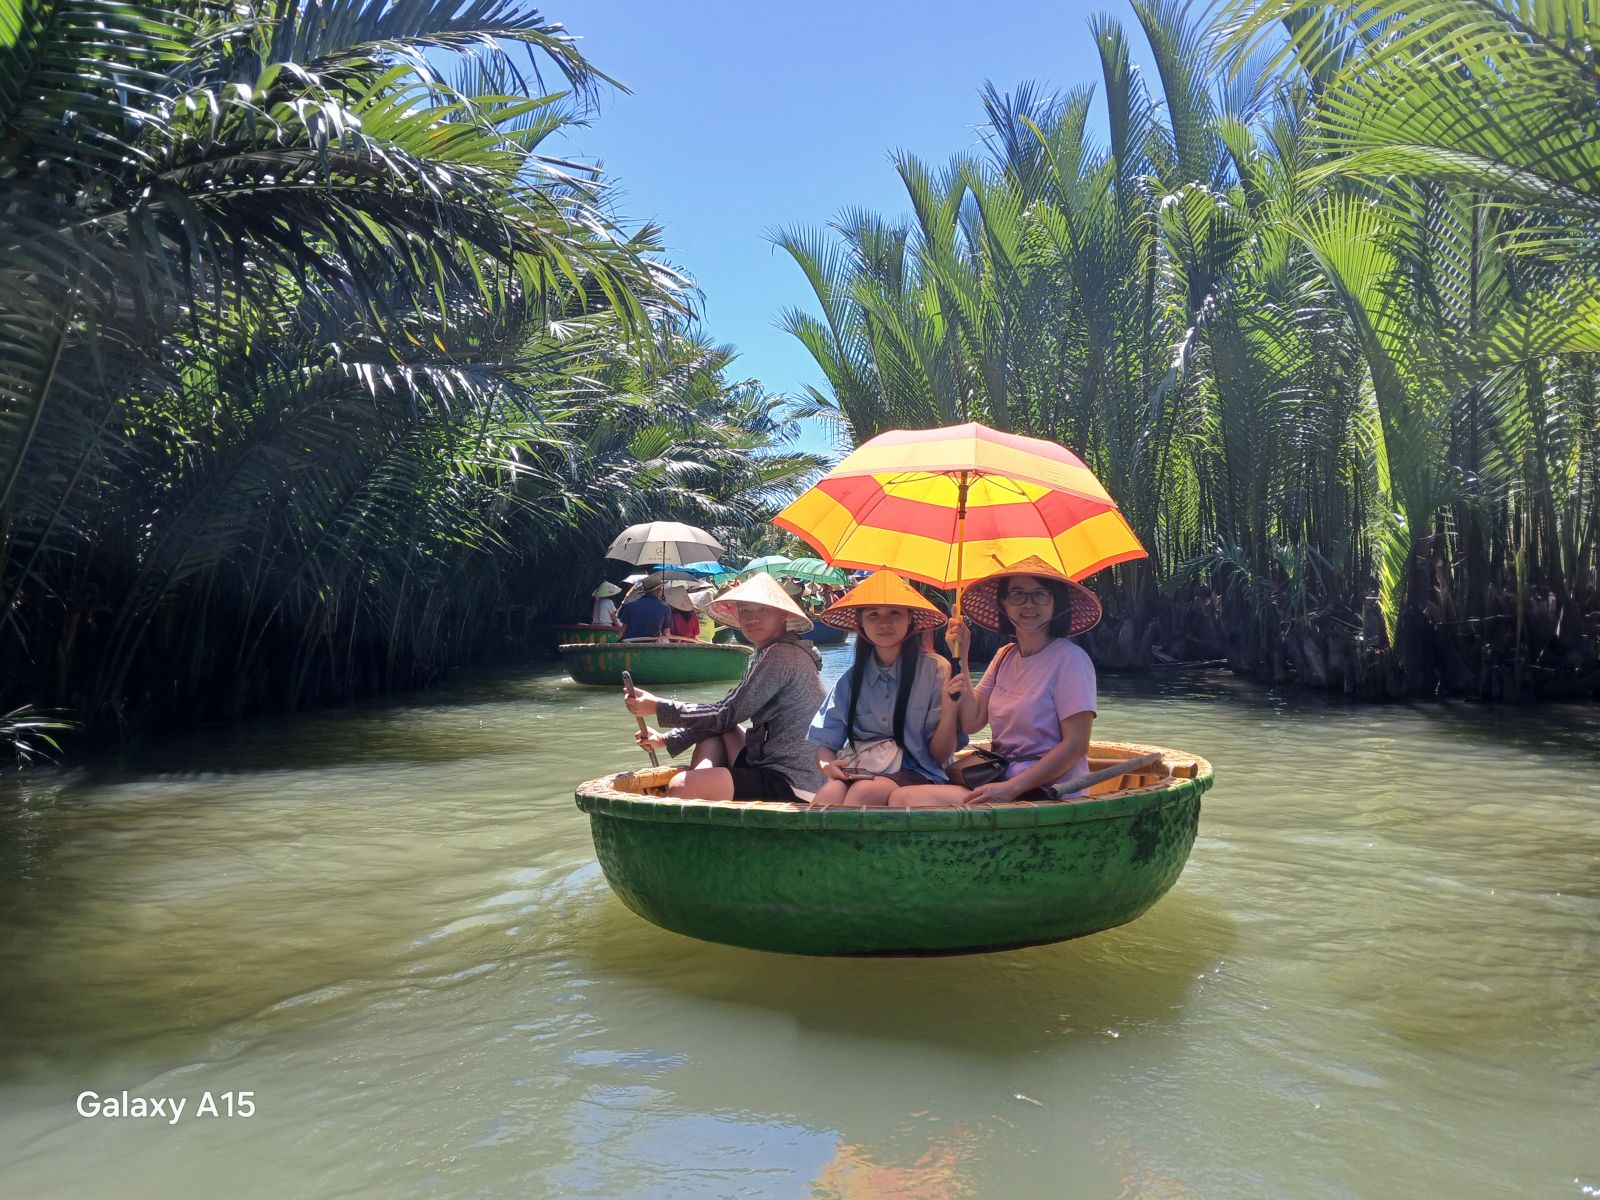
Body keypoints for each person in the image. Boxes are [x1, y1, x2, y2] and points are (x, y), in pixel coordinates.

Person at [892, 555, 1100, 807]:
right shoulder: (1004, 656)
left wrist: (1012, 788)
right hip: (1002, 776)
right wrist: (962, 655)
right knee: (899, 794)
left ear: (1056, 603)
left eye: (1040, 595)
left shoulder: (1071, 659)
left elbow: (1076, 745)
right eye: (1018, 595)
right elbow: (972, 721)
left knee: (904, 798)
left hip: (1049, 790)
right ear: (1004, 604)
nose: (1029, 604)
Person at [626, 573, 825, 802]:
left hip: (793, 782)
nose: (752, 619)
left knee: (680, 786)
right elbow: (726, 716)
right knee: (716, 734)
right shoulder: (777, 650)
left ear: (782, 614)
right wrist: (667, 739)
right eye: (745, 610)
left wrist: (658, 706)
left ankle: (696, 794)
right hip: (769, 763)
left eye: (763, 610)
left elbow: (725, 713)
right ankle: (703, 794)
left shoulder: (782, 654)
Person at [807, 572, 962, 807]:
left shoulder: (936, 670)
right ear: (861, 621)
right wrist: (828, 766)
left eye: (894, 613)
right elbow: (825, 746)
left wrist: (950, 710)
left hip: (918, 774)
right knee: (830, 793)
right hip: (861, 770)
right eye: (873, 614)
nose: (884, 623)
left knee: (864, 792)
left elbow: (940, 756)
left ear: (910, 617)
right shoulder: (851, 680)